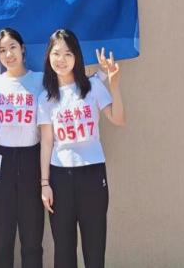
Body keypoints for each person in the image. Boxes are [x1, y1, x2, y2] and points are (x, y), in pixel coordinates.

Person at [38, 29, 125, 268]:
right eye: (56, 53)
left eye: (68, 53)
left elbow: (118, 119)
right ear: (48, 57)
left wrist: (114, 85)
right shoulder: (45, 98)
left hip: (93, 174)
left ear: (76, 57)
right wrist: (44, 184)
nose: (61, 59)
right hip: (60, 177)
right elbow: (47, 142)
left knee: (94, 247)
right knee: (64, 250)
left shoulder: (92, 87)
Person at [0, 28, 45, 268]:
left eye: (13, 47)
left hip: (32, 157)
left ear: (23, 49)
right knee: (2, 237)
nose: (8, 54)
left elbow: (68, 93)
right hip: (1, 158)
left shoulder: (39, 80)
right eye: (2, 50)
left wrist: (102, 77)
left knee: (32, 237)